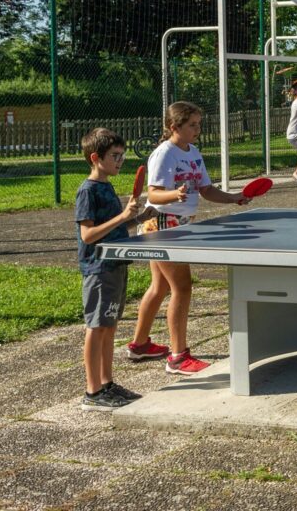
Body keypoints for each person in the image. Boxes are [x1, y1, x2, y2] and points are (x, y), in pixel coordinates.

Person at [127, 101, 251, 374]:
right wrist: (175, 194)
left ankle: (139, 345)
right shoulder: (164, 154)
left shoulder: (193, 152)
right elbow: (154, 194)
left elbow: (206, 189)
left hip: (180, 224)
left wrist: (233, 198)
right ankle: (178, 357)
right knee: (182, 288)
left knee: (160, 287)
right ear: (175, 127)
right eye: (192, 125)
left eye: (198, 124)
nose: (198, 129)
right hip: (162, 224)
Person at [75, 128, 144, 410]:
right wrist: (123, 216)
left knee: (109, 325)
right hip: (98, 268)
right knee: (96, 327)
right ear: (96, 158)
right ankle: (93, 392)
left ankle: (107, 384)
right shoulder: (88, 190)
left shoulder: (106, 186)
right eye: (115, 156)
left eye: (122, 155)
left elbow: (113, 229)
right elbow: (88, 235)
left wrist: (139, 218)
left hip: (115, 264)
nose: (120, 161)